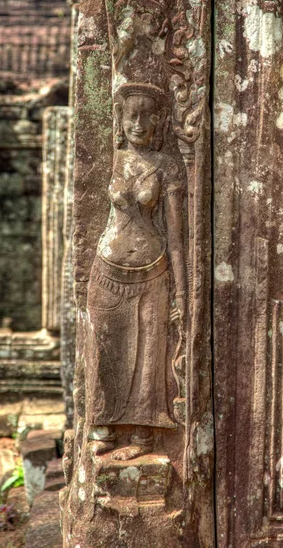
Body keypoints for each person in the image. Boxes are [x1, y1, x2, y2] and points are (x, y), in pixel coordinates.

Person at [85, 82, 187, 461]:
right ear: (121, 119)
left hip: (153, 272)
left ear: (159, 120)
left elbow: (176, 237)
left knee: (149, 355)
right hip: (107, 269)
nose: (139, 123)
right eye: (132, 115)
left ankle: (143, 434)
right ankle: (102, 425)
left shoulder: (167, 167)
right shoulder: (110, 159)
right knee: (104, 348)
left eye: (147, 115)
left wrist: (183, 291)